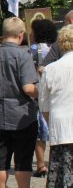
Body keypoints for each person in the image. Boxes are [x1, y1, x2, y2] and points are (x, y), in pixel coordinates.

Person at [0, 17, 49, 188]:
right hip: (22, 116)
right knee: (22, 160)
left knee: (0, 159)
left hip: (0, 115)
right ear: (21, 35)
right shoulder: (23, 56)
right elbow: (28, 88)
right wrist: (41, 90)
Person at [39, 25, 73, 188]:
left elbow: (43, 103)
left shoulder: (51, 69)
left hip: (61, 123)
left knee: (65, 167)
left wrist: (50, 120)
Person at [31, 19, 58, 178]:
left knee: (40, 131)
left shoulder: (34, 50)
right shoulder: (57, 48)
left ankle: (41, 165)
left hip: (39, 93)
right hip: (56, 93)